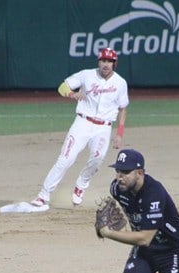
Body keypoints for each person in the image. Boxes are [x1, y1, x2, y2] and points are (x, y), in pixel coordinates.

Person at [30, 48, 128, 208]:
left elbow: (123, 107)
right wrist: (71, 94)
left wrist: (120, 134)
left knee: (97, 159)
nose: (106, 64)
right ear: (99, 61)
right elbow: (62, 87)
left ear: (114, 64)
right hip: (82, 123)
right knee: (65, 159)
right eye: (103, 60)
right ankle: (43, 195)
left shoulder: (120, 83)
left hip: (104, 127)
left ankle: (81, 185)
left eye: (110, 61)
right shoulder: (86, 75)